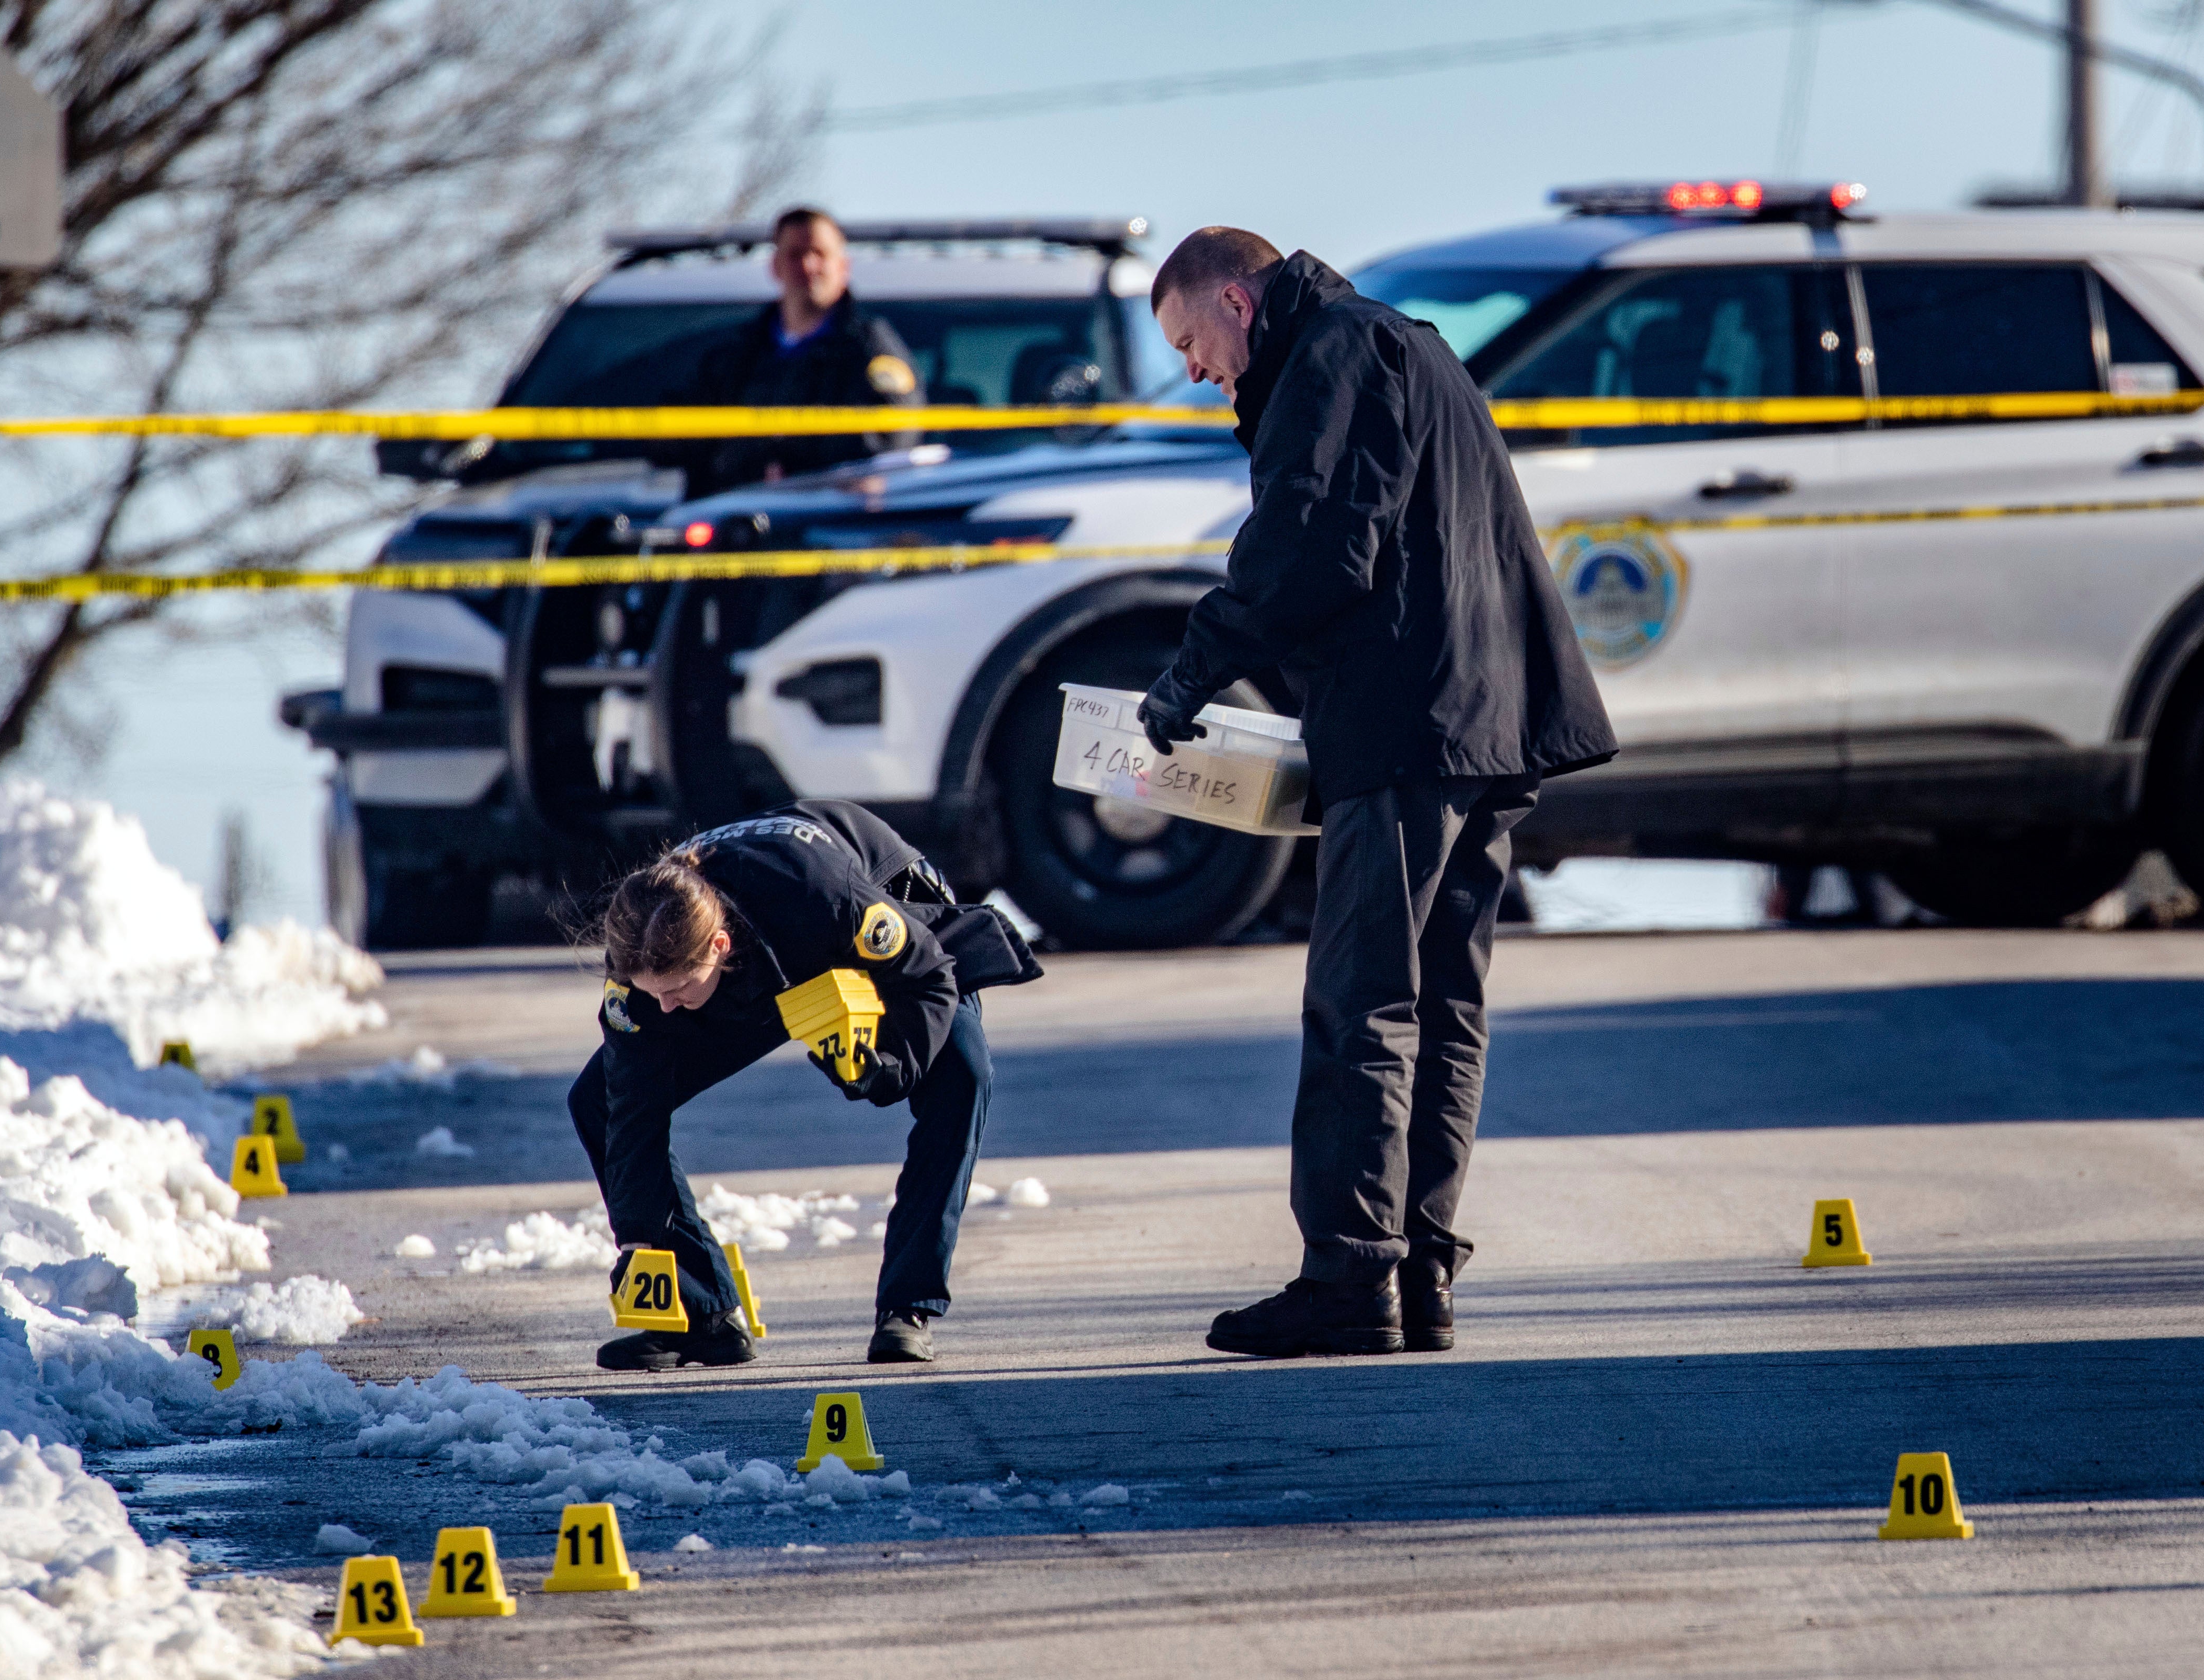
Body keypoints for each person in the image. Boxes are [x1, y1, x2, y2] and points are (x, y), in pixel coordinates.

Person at [1139, 227, 1618, 1360]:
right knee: (1446, 1003)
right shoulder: (1410, 345)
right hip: (1492, 722)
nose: (1194, 371)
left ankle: (1352, 1277)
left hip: (1409, 726)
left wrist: (1191, 670)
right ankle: (1421, 1273)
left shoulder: (1333, 355)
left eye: (1189, 339)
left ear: (1237, 299)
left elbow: (1310, 550)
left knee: (1365, 1001)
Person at [572, 799, 1039, 1370]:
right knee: (597, 1100)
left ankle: (906, 1308)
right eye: (651, 992)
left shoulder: (825, 898)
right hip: (754, 964)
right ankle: (702, 1318)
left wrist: (894, 1067)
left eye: (676, 988)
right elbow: (632, 1111)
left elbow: (928, 976)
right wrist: (641, 1243)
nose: (664, 1005)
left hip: (873, 925)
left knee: (963, 1076)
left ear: (717, 948)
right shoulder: (640, 960)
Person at [675, 206, 926, 494]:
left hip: (831, 519)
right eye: (795, 255)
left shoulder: (869, 348)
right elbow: (695, 438)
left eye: (820, 254)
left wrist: (797, 463)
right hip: (738, 516)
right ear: (775, 266)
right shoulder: (738, 354)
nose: (808, 266)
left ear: (844, 267)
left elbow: (894, 432)